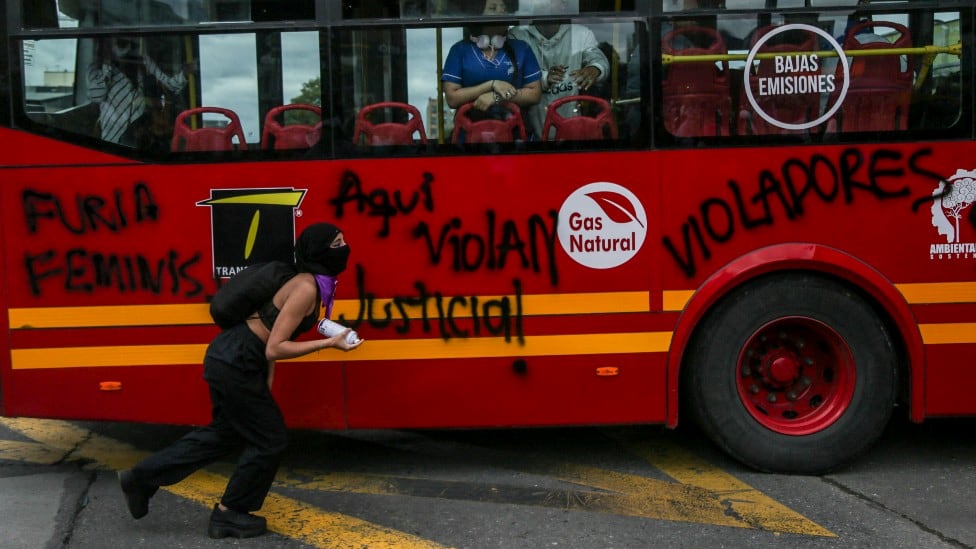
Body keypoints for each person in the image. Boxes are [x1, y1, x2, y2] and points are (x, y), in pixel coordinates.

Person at [117, 222, 363, 539]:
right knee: (270, 440)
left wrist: (265, 384)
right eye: (336, 243)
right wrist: (329, 344)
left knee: (226, 433)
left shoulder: (311, 283)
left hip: (237, 357)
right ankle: (230, 513)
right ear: (318, 252)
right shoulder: (306, 288)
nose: (344, 248)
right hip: (237, 359)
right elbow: (276, 345)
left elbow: (269, 345)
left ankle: (142, 479)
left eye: (343, 240)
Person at [441, 0, 542, 141]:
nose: (501, 12)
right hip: (470, 137)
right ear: (477, 15)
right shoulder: (459, 50)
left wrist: (496, 98)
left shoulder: (521, 48)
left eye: (504, 8)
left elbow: (534, 94)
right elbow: (452, 98)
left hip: (515, 135)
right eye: (493, 8)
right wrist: (491, 85)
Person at [508, 3, 609, 139]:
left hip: (574, 132)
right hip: (532, 135)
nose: (546, 3)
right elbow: (513, 73)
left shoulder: (581, 34)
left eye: (552, 1)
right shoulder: (518, 35)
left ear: (562, 5)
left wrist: (595, 68)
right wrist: (544, 78)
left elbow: (598, 58)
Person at [87, 36, 190, 148]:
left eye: (129, 44)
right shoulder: (96, 69)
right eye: (120, 43)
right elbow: (97, 96)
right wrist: (107, 65)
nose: (125, 49)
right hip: (112, 135)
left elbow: (169, 85)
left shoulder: (142, 62)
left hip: (139, 135)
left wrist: (185, 73)